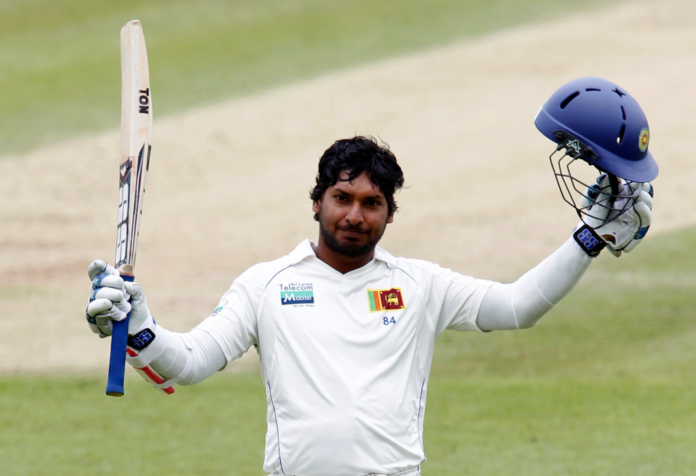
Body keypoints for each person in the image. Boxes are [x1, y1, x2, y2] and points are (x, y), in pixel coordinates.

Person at [85, 78, 657, 476]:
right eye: (342, 198)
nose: (355, 215)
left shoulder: (420, 285)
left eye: (371, 203)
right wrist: (138, 325)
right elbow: (187, 363)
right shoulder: (266, 285)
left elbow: (516, 307)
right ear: (316, 202)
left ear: (390, 213)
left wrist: (587, 240)